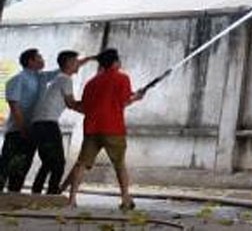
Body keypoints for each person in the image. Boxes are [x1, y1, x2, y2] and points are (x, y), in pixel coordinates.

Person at [63, 48, 144, 209]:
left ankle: (72, 199)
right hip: (113, 128)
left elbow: (86, 105)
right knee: (119, 164)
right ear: (115, 62)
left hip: (92, 127)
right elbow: (124, 101)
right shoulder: (122, 78)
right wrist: (136, 97)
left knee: (82, 164)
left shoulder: (91, 83)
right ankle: (125, 198)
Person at [30, 50, 94, 194]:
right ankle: (52, 194)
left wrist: (90, 58)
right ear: (69, 63)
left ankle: (36, 193)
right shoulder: (65, 79)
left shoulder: (59, 78)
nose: (78, 64)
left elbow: (71, 104)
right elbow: (71, 104)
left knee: (48, 162)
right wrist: (93, 111)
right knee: (58, 163)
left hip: (38, 124)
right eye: (76, 62)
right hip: (47, 124)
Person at [0, 49, 60, 192]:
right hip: (17, 130)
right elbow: (14, 106)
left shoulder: (41, 78)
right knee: (5, 165)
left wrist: (82, 60)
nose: (42, 60)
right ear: (30, 61)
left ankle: (13, 196)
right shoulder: (18, 79)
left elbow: (61, 71)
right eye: (39, 57)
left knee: (23, 166)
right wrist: (22, 129)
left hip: (33, 130)